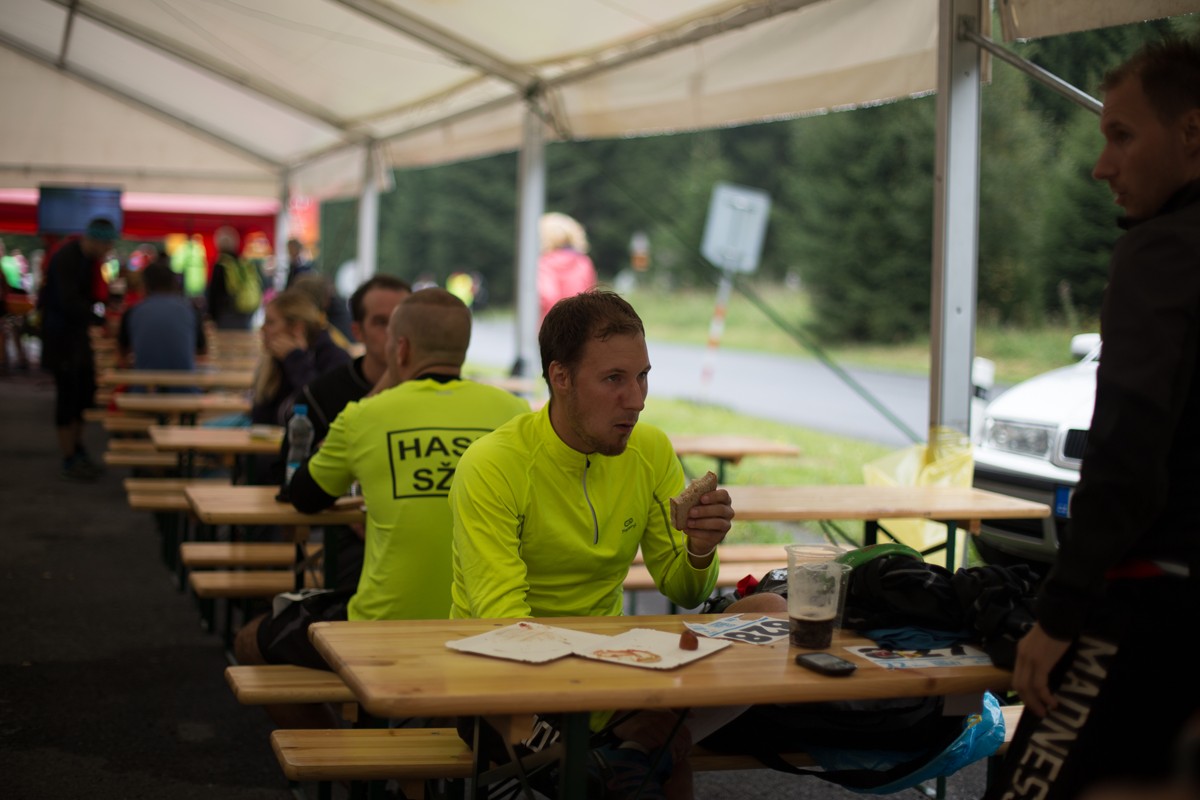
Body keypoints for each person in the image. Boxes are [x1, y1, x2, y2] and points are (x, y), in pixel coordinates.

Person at [449, 289, 783, 799]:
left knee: (772, 611)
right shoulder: (493, 464)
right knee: (643, 768)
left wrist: (699, 548)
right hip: (507, 682)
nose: (637, 399)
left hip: (612, 670)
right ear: (560, 377)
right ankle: (632, 746)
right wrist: (621, 694)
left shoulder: (649, 448)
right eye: (614, 379)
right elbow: (506, 625)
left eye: (643, 376)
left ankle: (633, 746)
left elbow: (685, 590)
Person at [990, 39, 1200, 800]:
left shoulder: (1164, 251)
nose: (1101, 166)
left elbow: (1126, 450)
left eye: (1122, 135)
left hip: (1151, 599)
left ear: (1192, 132)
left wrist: (1058, 615)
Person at [233, 288, 529, 728]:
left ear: (401, 349)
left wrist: (379, 391)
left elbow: (304, 496)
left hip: (380, 629)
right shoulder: (515, 413)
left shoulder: (364, 415)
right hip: (486, 625)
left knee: (249, 641)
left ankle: (336, 756)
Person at [278, 274, 411, 591]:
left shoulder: (439, 397)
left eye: (403, 321)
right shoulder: (323, 394)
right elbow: (291, 477)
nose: (394, 334)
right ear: (357, 331)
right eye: (381, 322)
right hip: (347, 543)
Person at [37, 217, 118, 480]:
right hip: (60, 338)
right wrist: (101, 321)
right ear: (95, 240)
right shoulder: (67, 258)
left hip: (78, 336)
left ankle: (78, 449)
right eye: (107, 245)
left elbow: (93, 297)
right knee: (67, 397)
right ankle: (69, 458)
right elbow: (68, 302)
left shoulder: (90, 261)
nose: (108, 251)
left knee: (85, 393)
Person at [249, 289, 353, 484]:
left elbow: (322, 408)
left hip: (315, 468)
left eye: (270, 322)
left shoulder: (334, 359)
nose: (262, 329)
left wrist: (296, 360)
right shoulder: (275, 362)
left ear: (297, 328)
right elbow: (260, 420)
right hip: (275, 461)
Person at [116, 260, 207, 375]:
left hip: (145, 384)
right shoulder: (191, 311)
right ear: (173, 284)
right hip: (184, 384)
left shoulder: (133, 312)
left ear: (145, 285)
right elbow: (202, 350)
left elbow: (122, 353)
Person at [537, 212, 597, 324]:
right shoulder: (584, 262)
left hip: (552, 326)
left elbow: (548, 297)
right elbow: (592, 296)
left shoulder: (544, 263)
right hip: (581, 324)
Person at [206, 225, 261, 329]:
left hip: (227, 311)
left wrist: (211, 314)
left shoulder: (221, 263)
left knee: (227, 337)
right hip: (246, 309)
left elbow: (214, 291)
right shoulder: (243, 262)